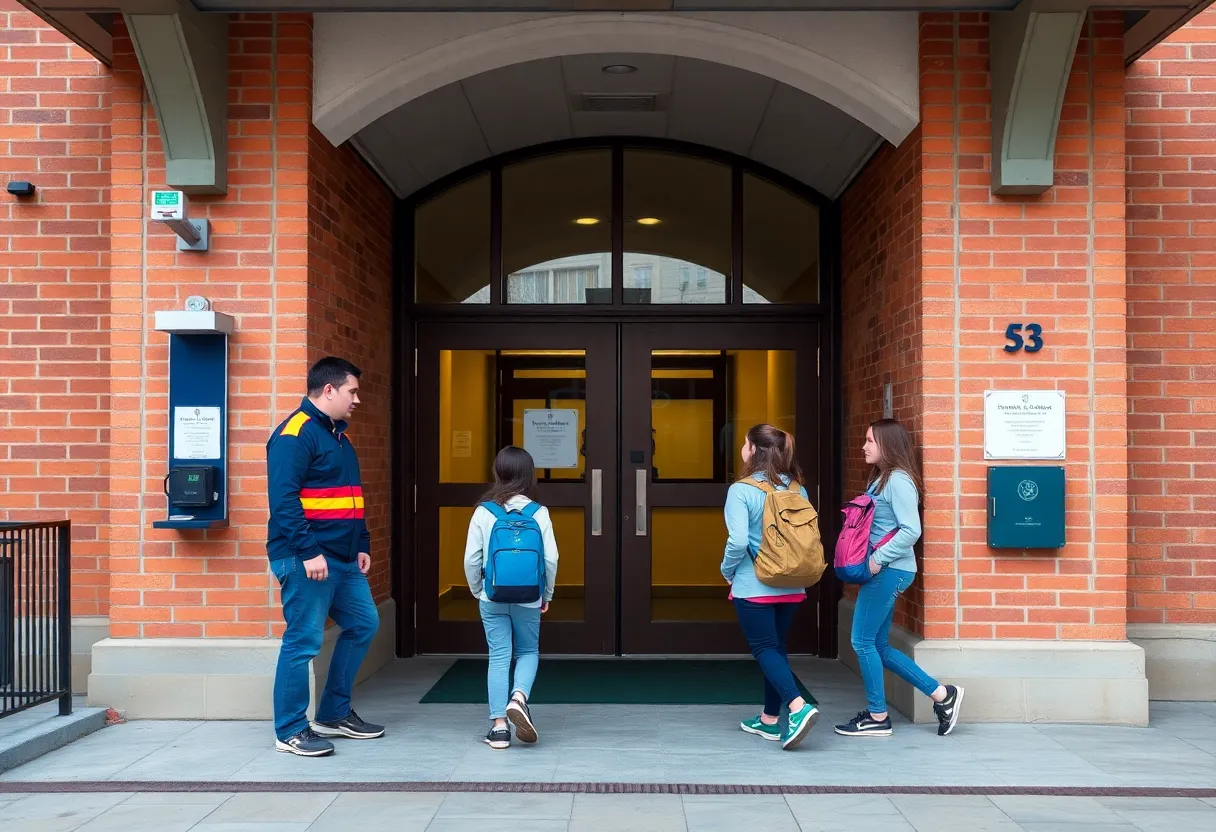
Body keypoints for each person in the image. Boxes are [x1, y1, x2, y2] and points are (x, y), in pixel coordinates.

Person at [266, 357, 384, 757]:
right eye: (352, 391)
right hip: (307, 559)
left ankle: (333, 714)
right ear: (329, 390)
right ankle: (290, 729)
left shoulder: (338, 437)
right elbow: (283, 501)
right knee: (302, 641)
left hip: (343, 558)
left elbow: (351, 497)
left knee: (364, 624)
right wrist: (309, 551)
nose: (357, 399)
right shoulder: (294, 434)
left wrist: (362, 541)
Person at [835, 418, 964, 738]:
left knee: (861, 642)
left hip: (889, 571)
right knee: (878, 645)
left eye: (870, 441)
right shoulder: (881, 478)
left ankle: (878, 716)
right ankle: (942, 696)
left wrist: (877, 559)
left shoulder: (898, 480)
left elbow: (911, 530)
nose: (864, 446)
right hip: (887, 571)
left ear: (888, 445)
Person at [723, 424, 820, 751]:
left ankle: (797, 706)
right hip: (793, 583)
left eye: (745, 443)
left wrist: (726, 570)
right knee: (776, 649)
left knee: (764, 649)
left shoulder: (741, 490)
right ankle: (768, 719)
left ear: (752, 450)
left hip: (756, 584)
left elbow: (737, 541)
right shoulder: (797, 489)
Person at [464, 446, 559, 750]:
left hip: (492, 595)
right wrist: (547, 593)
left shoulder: (484, 511)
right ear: (529, 474)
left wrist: (478, 589)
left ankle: (499, 728)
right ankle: (519, 697)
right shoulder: (538, 512)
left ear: (499, 473)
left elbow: (471, 558)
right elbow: (551, 559)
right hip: (529, 597)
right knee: (529, 650)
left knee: (499, 655)